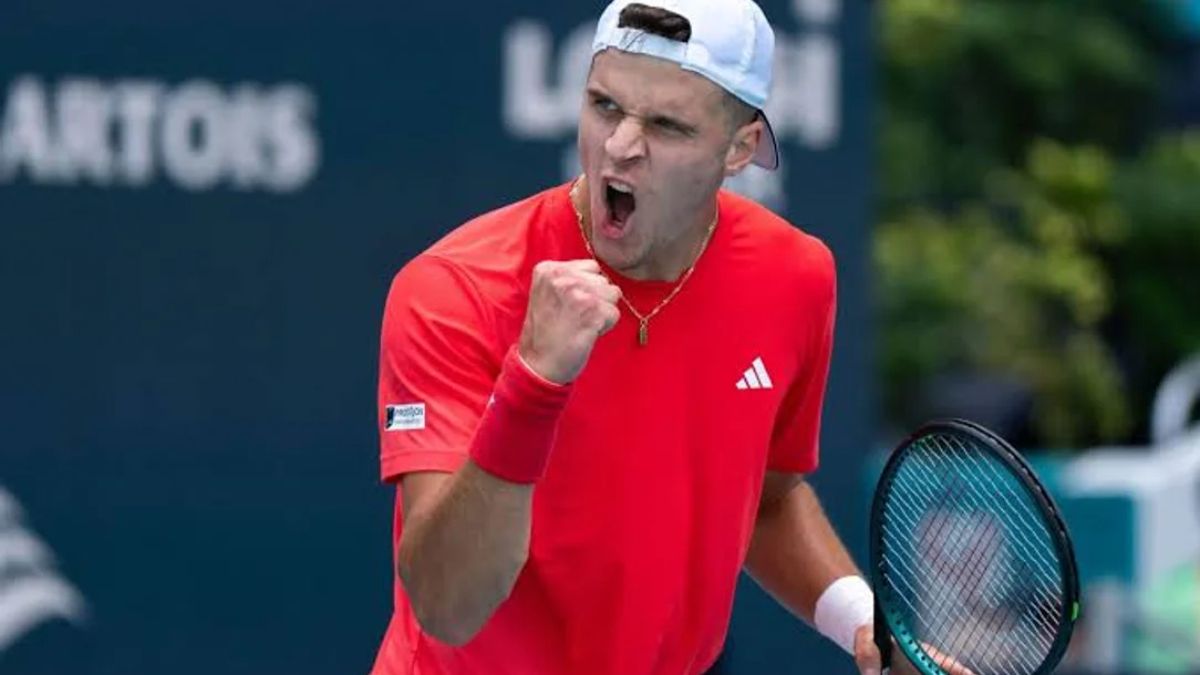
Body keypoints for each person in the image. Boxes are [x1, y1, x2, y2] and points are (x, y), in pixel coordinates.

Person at [371, 1, 890, 673]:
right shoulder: (452, 288)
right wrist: (533, 382)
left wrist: (858, 618)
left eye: (667, 125)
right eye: (605, 106)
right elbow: (446, 604)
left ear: (739, 149)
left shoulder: (797, 275)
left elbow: (764, 498)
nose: (620, 146)